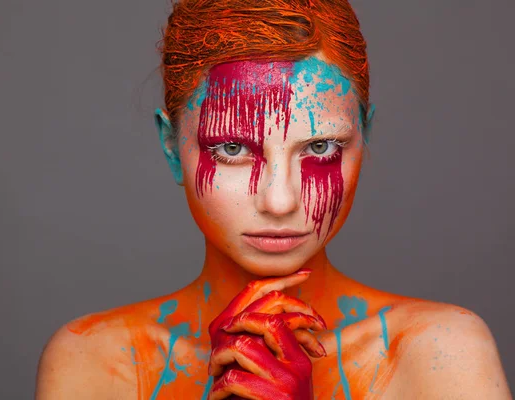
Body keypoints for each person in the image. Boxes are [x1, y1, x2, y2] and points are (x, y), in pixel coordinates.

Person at [35, 0, 512, 398]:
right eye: (232, 148)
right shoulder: (96, 360)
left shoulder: (439, 352)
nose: (280, 201)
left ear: (363, 136)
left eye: (320, 147)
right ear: (169, 145)